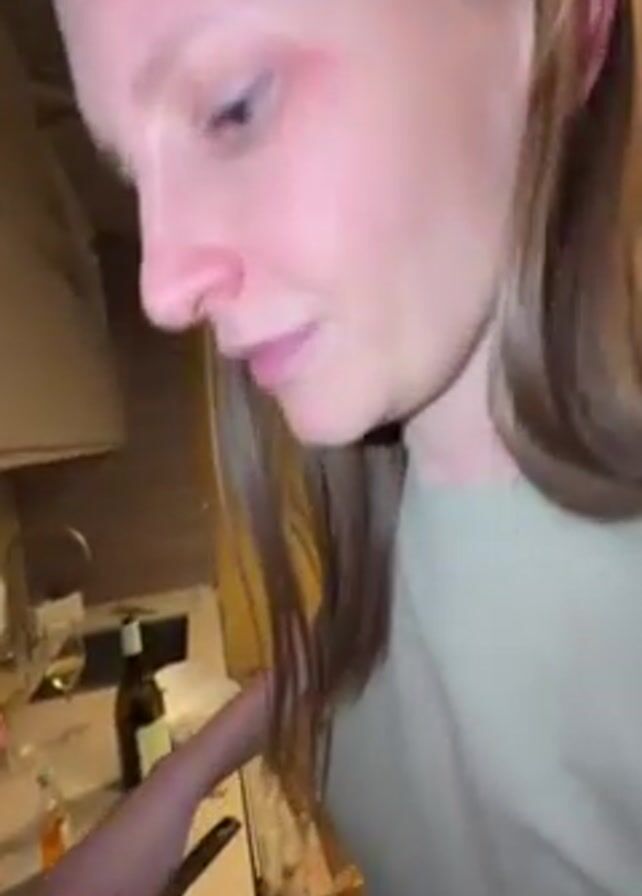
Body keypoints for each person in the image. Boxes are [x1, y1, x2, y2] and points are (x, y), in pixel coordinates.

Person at [47, 0, 642, 893]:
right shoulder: (404, 472)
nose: (162, 290)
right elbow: (369, 635)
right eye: (136, 173)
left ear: (568, 23)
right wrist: (174, 789)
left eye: (236, 106)